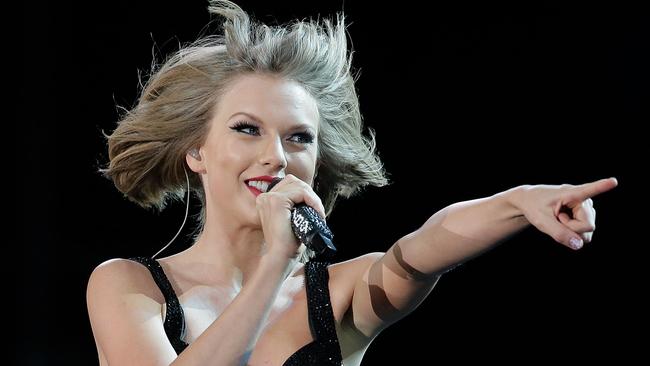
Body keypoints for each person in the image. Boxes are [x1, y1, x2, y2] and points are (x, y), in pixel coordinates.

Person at [86, 1, 619, 365]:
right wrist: (275, 262)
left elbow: (423, 250)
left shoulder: (337, 296)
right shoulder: (127, 287)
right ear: (196, 151)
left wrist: (517, 202)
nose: (276, 157)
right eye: (247, 129)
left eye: (299, 139)